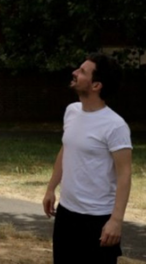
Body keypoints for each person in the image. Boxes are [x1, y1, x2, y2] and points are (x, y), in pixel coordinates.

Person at [43, 54, 132, 264]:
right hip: (66, 214)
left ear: (96, 85)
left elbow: (124, 175)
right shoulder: (72, 111)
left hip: (97, 220)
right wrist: (51, 188)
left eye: (82, 71)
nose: (75, 72)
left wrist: (116, 220)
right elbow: (66, 150)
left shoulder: (115, 125)